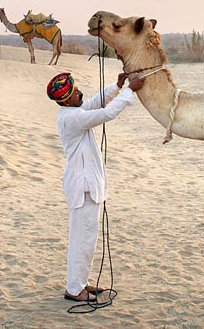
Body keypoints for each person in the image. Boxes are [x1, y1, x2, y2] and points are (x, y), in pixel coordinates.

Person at [46, 72, 144, 302]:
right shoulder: (72, 118)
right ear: (65, 100)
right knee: (83, 238)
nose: (80, 93)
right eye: (75, 92)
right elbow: (106, 113)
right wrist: (131, 90)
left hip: (86, 185)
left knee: (87, 237)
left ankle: (80, 282)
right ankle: (74, 289)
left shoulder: (74, 111)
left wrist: (117, 86)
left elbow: (93, 103)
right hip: (83, 187)